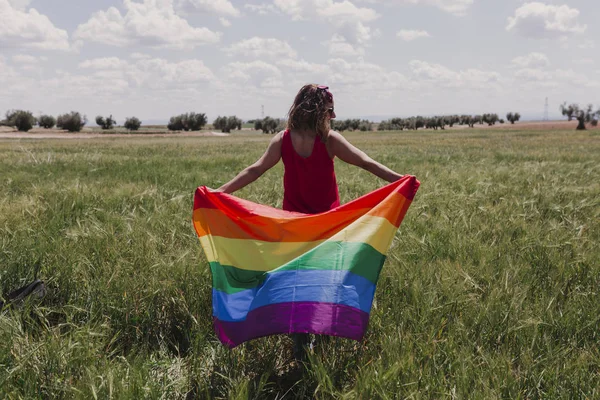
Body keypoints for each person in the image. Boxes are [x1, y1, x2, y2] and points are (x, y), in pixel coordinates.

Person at [212, 83, 404, 361]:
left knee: (297, 284)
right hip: (328, 226)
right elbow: (366, 162)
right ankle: (323, 335)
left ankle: (301, 342)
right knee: (327, 280)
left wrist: (220, 193)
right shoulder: (330, 140)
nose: (333, 117)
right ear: (319, 112)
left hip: (294, 228)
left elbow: (255, 170)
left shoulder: (283, 140)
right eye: (329, 111)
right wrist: (400, 180)